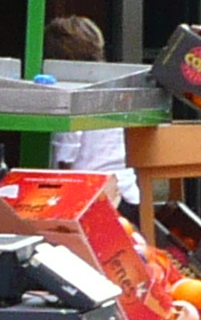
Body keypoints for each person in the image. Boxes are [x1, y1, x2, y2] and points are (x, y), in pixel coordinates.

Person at [39, 16, 134, 201]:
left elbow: (66, 156)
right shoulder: (115, 86)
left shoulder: (71, 93)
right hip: (127, 193)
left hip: (92, 196)